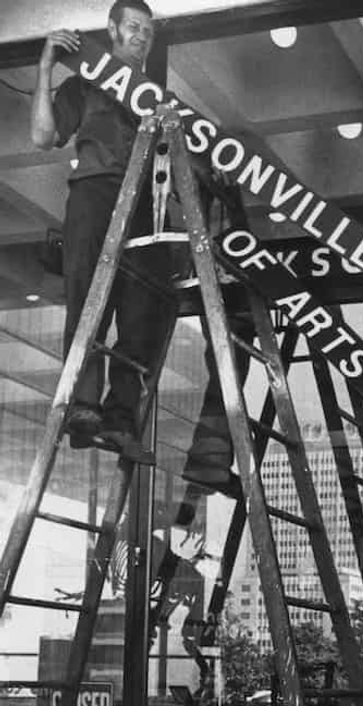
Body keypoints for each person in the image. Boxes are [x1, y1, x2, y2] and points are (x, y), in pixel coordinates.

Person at [31, 2, 173, 457]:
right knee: (87, 296)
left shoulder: (159, 98)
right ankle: (84, 406)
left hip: (148, 202)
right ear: (112, 29)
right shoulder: (84, 83)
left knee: (141, 312)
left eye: (147, 31)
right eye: (133, 27)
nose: (141, 37)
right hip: (95, 191)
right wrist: (45, 66)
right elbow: (41, 136)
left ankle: (119, 416)